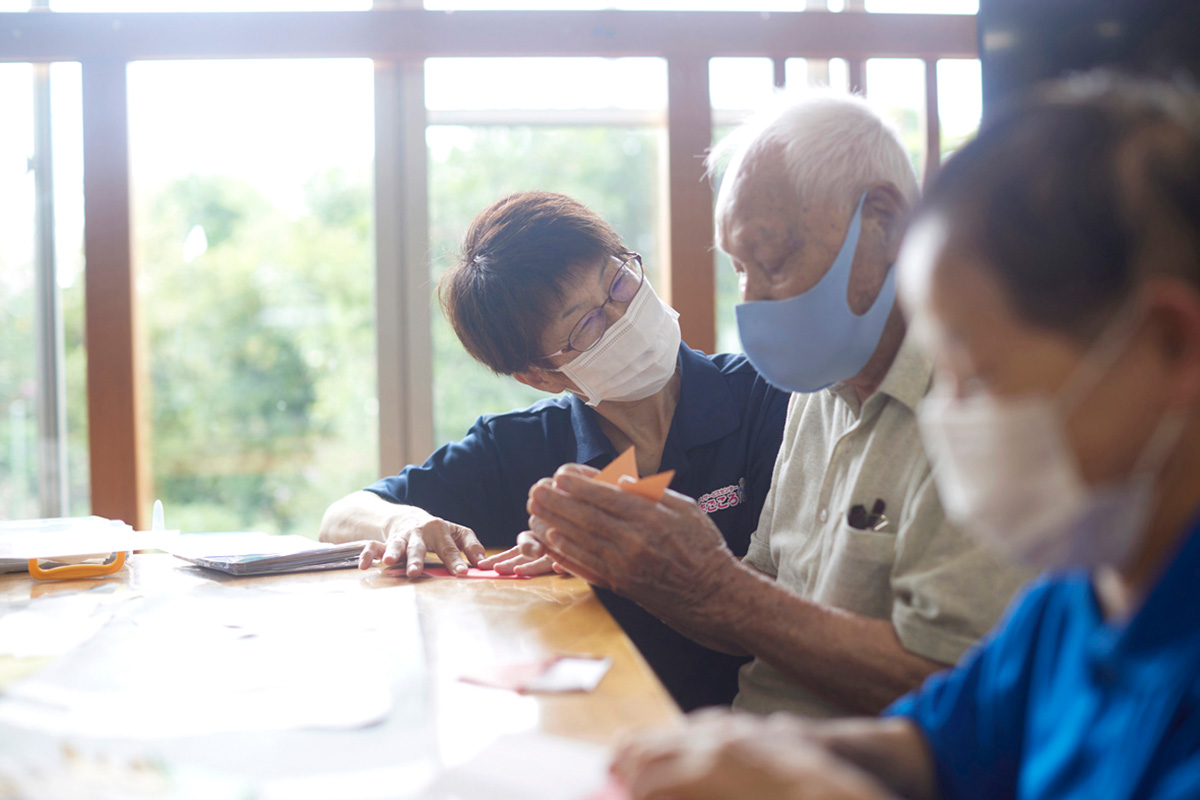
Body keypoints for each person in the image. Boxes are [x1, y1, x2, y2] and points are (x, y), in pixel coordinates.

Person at [607, 74, 1200, 799]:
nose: (946, 420)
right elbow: (935, 740)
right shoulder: (1077, 603)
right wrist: (762, 747)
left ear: (1171, 346)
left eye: (975, 378)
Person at [523, 93, 1033, 717]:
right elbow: (762, 605)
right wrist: (641, 564)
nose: (754, 299)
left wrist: (715, 582)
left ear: (884, 222)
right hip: (755, 743)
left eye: (772, 260)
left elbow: (953, 691)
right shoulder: (816, 390)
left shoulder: (975, 399)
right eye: (738, 269)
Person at [319, 191, 789, 710]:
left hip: (757, 725)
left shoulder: (769, 396)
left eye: (619, 281)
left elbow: (803, 601)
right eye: (586, 326)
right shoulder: (520, 446)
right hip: (593, 724)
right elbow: (343, 515)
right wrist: (401, 524)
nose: (622, 314)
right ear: (539, 376)